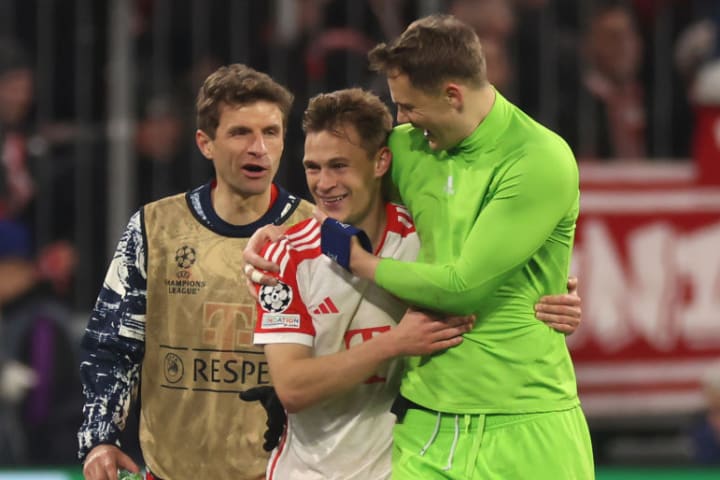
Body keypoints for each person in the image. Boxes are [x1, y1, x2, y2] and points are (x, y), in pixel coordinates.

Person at [245, 86, 584, 478]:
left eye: (339, 166)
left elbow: (478, 284)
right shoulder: (286, 257)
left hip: (406, 464)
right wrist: (396, 343)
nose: (323, 183)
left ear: (380, 162)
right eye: (312, 167)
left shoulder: (425, 243)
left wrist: (554, 298)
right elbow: (293, 388)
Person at [323, 14, 592, 479]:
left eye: (409, 107)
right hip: (427, 421)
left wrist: (364, 264)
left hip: (528, 424)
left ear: (453, 95)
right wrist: (278, 230)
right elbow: (336, 196)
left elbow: (464, 287)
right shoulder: (408, 148)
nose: (400, 120)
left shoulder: (537, 159)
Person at [77, 64, 314, 480]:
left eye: (271, 132)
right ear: (205, 143)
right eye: (241, 132)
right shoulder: (154, 228)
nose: (259, 147)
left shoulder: (314, 234)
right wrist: (101, 437)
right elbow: (111, 347)